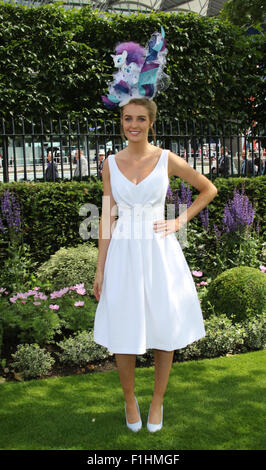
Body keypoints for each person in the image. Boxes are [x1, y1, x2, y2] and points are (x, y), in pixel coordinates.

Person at [93, 27, 218, 434]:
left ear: (150, 122)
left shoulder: (167, 158)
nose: (133, 124)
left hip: (162, 248)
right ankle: (129, 398)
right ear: (122, 121)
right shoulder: (109, 164)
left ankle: (158, 400)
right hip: (125, 253)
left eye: (140, 119)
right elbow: (106, 216)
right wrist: (99, 268)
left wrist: (180, 219)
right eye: (128, 118)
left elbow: (208, 189)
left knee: (164, 326)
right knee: (124, 331)